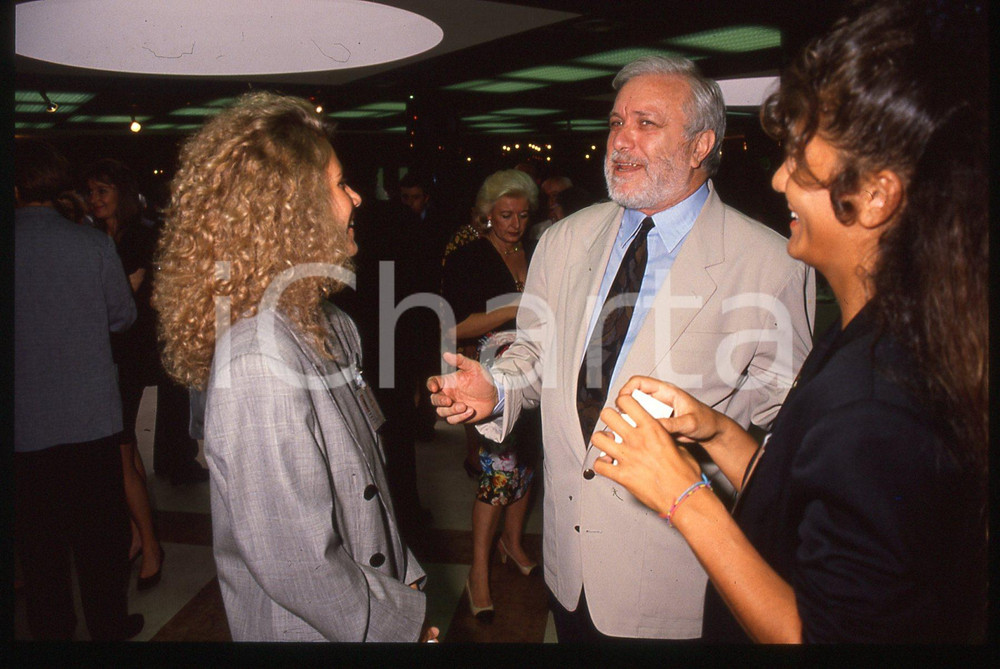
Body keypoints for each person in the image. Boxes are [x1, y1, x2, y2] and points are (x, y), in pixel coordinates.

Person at [591, 0, 987, 643]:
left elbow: (821, 635)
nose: (778, 181)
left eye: (801, 165)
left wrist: (683, 497)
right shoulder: (873, 332)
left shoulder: (880, 403)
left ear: (878, 194)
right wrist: (719, 431)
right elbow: (800, 507)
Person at [428, 55, 814, 641]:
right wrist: (498, 385)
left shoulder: (768, 263)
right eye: (615, 123)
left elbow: (787, 425)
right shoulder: (563, 240)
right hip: (567, 566)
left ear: (699, 144)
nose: (621, 141)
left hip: (675, 576)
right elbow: (533, 353)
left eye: (646, 124)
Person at [152, 91, 437, 642]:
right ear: (292, 212)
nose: (355, 198)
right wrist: (400, 625)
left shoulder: (325, 320)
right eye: (338, 184)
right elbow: (297, 565)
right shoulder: (260, 361)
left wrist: (408, 577)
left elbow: (369, 483)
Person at [14, 138, 143, 640]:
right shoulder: (91, 243)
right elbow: (122, 316)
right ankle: (109, 627)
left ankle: (53, 634)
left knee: (41, 549)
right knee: (99, 542)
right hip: (90, 419)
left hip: (26, 426)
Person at [442, 169, 541, 622]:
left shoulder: (537, 251)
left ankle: (513, 542)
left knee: (531, 465)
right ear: (487, 214)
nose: (515, 224)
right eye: (505, 215)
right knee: (499, 476)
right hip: (493, 378)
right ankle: (477, 571)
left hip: (541, 372)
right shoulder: (469, 259)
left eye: (522, 214)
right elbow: (453, 327)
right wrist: (515, 308)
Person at [84, 157, 166, 589]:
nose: (94, 199)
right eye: (91, 191)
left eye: (103, 191)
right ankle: (139, 536)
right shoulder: (94, 236)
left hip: (128, 356)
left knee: (120, 452)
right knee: (126, 452)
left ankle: (150, 546)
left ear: (121, 195)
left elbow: (121, 302)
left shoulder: (139, 237)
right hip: (104, 355)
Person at [528, 174, 572, 240]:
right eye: (546, 197)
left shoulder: (581, 223)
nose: (550, 201)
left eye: (555, 195)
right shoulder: (538, 230)